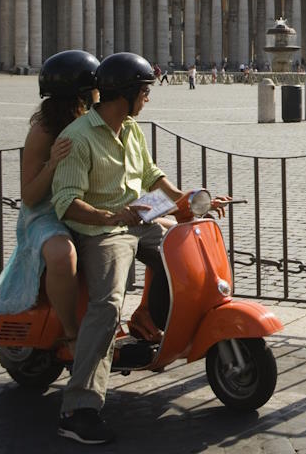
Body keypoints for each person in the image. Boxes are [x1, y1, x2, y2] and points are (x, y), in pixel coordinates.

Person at [50, 52, 230, 444]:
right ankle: (78, 407)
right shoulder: (77, 138)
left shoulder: (131, 128)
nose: (148, 98)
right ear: (127, 93)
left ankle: (150, 326)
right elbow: (66, 202)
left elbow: (151, 175)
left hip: (140, 221)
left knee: (183, 253)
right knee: (108, 303)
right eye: (145, 91)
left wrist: (191, 200)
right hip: (101, 232)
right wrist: (113, 216)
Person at [0, 50, 99, 354]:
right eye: (94, 89)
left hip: (84, 206)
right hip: (46, 215)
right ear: (79, 93)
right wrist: (51, 165)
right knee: (63, 256)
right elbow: (30, 196)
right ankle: (71, 332)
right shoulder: (44, 130)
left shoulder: (96, 122)